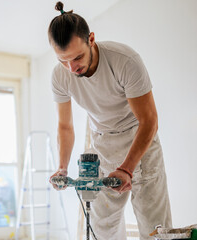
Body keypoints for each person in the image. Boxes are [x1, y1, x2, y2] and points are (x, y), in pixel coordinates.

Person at [48, 2, 172, 240]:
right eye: (63, 60)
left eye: (77, 57)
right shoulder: (60, 75)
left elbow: (149, 121)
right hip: (103, 144)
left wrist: (127, 168)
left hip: (139, 140)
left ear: (91, 39)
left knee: (154, 226)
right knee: (102, 225)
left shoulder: (124, 61)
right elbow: (65, 126)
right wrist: (62, 168)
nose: (72, 68)